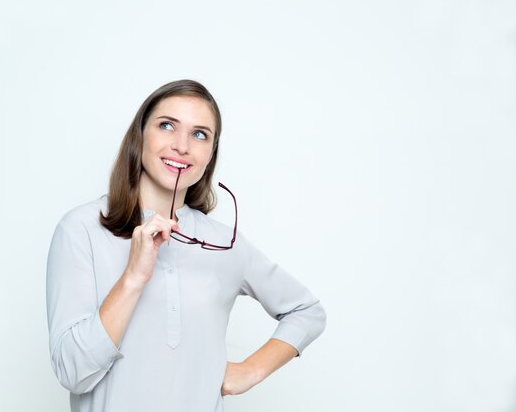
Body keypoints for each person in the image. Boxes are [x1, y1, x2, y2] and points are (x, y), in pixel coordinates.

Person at [46, 79, 326, 412]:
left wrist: (250, 371)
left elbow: (307, 311)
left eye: (200, 134)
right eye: (167, 126)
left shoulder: (225, 243)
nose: (182, 145)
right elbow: (72, 371)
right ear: (140, 136)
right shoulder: (81, 230)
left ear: (211, 152)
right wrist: (132, 279)